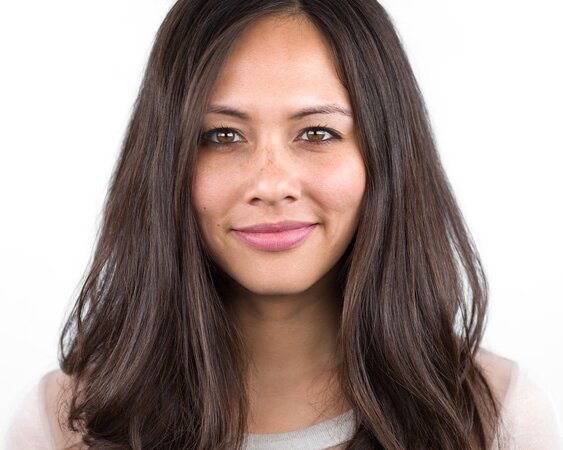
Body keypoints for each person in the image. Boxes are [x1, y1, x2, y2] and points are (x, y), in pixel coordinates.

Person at [6, 1, 563, 449]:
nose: (271, 184)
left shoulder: (497, 419)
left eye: (317, 133)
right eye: (222, 136)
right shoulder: (63, 425)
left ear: (386, 156)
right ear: (164, 163)